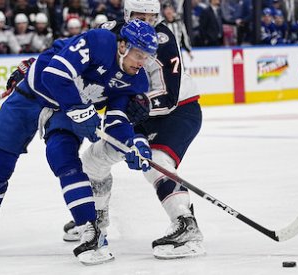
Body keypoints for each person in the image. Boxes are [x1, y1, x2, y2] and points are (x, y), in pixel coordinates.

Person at [0, 19, 158, 265]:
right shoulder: (99, 42)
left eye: (147, 57)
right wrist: (80, 110)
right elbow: (55, 75)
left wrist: (128, 145)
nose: (142, 62)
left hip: (65, 111)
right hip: (33, 95)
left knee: (64, 159)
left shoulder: (136, 80)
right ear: (122, 46)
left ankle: (90, 231)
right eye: (139, 54)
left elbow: (116, 119)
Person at [63, 0, 204, 259]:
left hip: (178, 111)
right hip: (134, 112)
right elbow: (74, 54)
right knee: (93, 160)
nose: (147, 22)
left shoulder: (162, 37)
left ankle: (186, 225)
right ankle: (97, 219)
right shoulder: (109, 33)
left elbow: (169, 97)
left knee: (155, 161)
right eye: (141, 15)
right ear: (127, 14)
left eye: (152, 16)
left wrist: (141, 104)